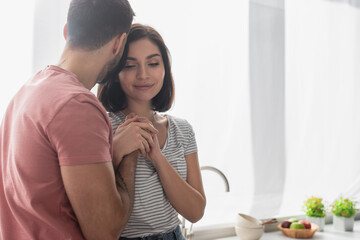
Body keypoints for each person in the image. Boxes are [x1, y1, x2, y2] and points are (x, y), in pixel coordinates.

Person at [0, 1, 158, 239]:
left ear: (66, 32)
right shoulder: (77, 106)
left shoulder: (26, 92)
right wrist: (129, 156)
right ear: (118, 44)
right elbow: (105, 231)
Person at [98, 24, 206, 240]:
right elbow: (96, 212)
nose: (143, 74)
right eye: (130, 65)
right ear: (116, 72)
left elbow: (195, 212)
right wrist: (116, 151)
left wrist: (157, 157)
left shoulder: (182, 129)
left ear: (165, 69)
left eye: (153, 63)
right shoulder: (103, 128)